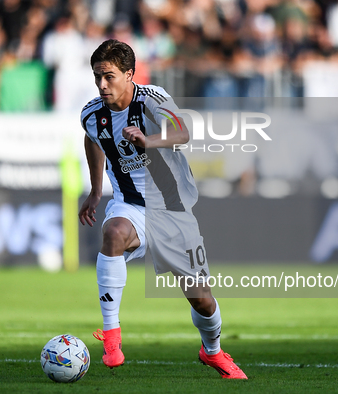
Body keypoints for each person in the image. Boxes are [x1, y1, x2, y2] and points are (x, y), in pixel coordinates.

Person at [79, 39, 247, 379]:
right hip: (129, 204)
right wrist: (97, 191)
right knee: (112, 233)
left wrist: (148, 140)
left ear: (129, 74)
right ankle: (111, 337)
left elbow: (182, 132)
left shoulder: (152, 99)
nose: (102, 85)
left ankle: (212, 351)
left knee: (201, 299)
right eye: (97, 76)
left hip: (172, 209)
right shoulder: (92, 114)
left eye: (109, 77)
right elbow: (92, 137)